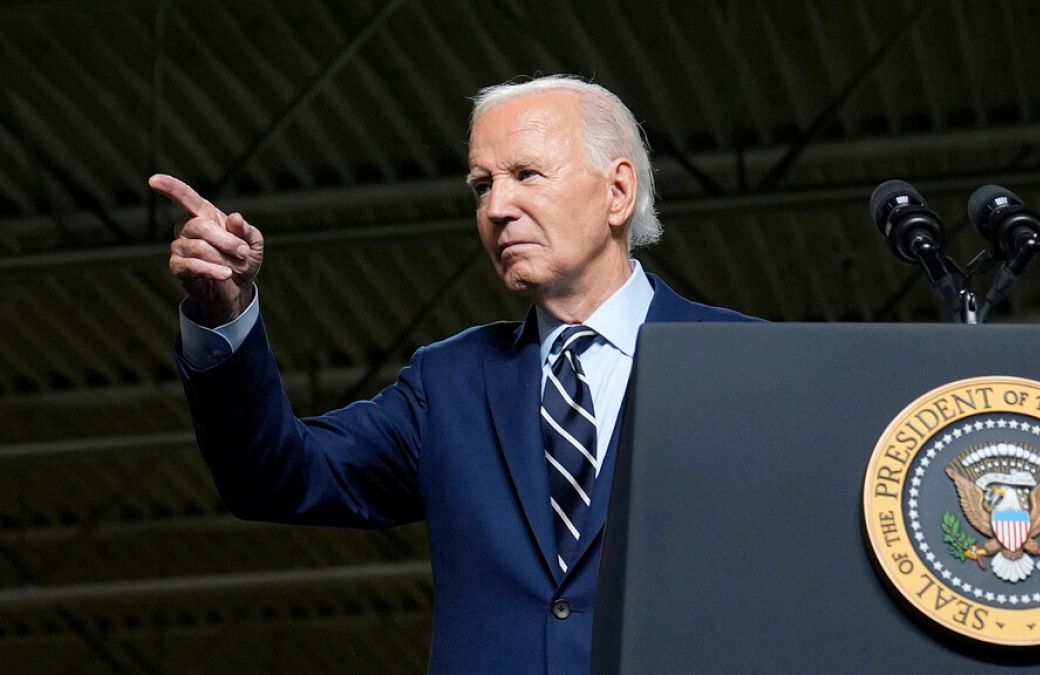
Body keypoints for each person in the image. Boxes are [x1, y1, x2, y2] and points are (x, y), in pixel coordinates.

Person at [151, 75, 757, 674]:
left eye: (526, 175)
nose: (496, 208)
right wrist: (223, 314)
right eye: (481, 186)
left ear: (617, 192)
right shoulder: (449, 385)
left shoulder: (744, 365)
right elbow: (273, 477)